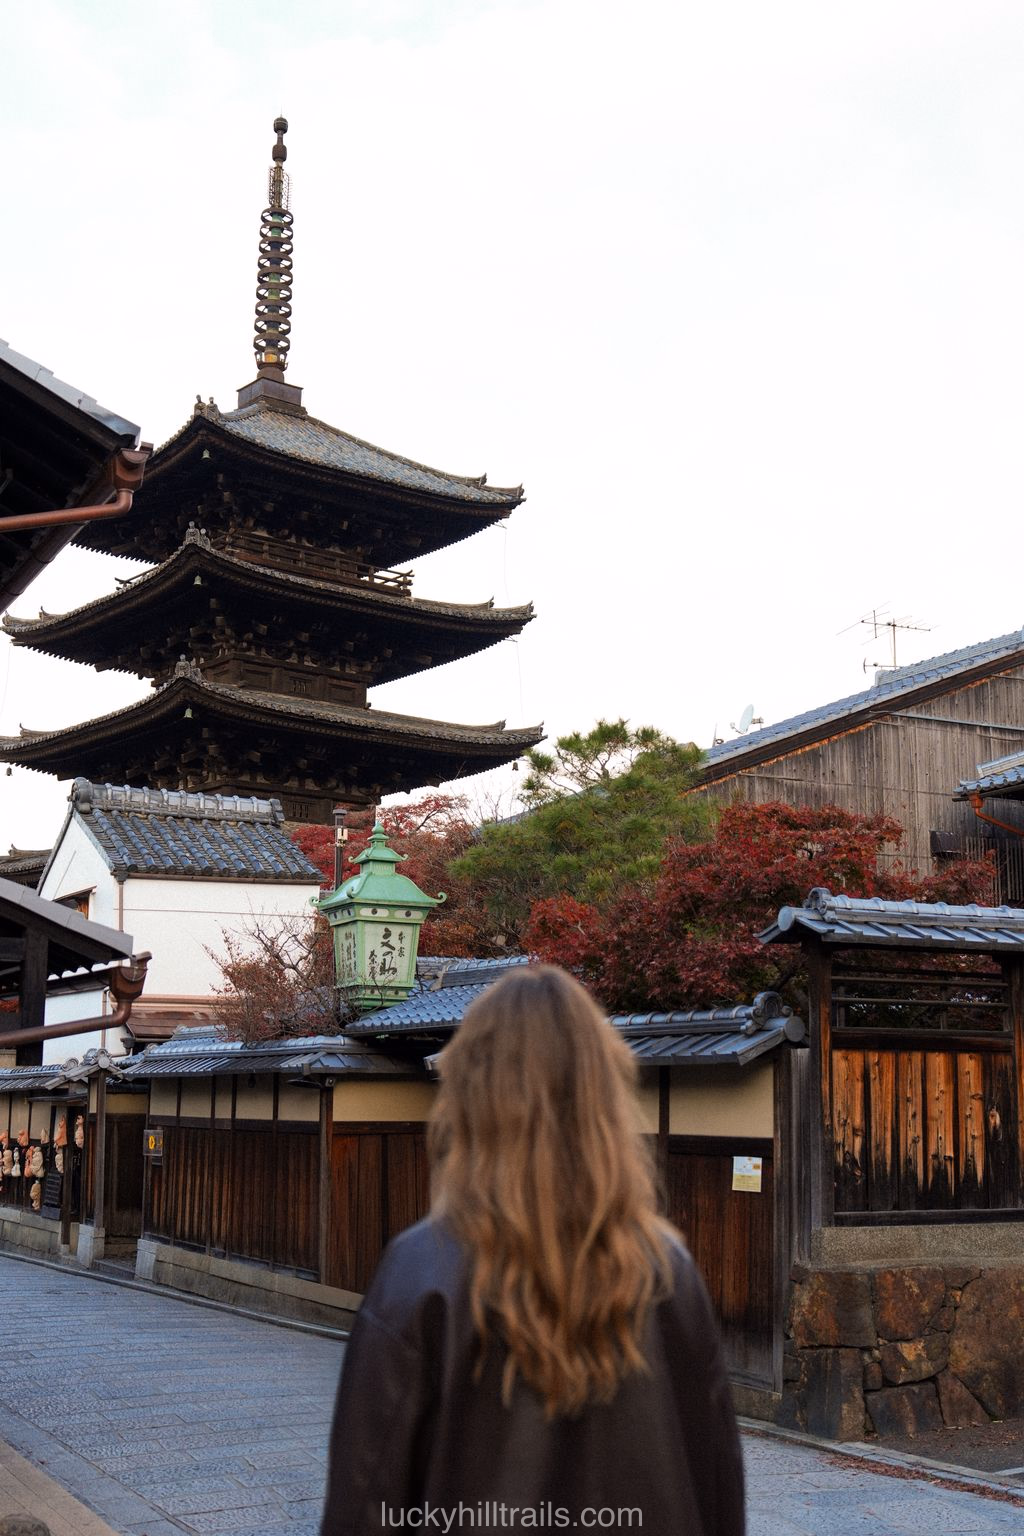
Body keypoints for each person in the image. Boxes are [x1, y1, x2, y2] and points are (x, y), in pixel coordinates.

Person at [320, 964, 745, 1536]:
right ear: (605, 1092)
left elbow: (366, 1494)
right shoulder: (667, 1270)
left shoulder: (420, 1270)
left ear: (471, 1091)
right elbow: (717, 1485)